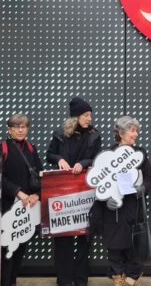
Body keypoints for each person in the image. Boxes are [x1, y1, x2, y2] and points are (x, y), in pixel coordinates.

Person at [46, 97, 102, 286]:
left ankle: (80, 280)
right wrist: (59, 159)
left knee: (84, 238)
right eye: (86, 115)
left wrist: (83, 163)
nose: (89, 118)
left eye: (90, 115)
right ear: (76, 116)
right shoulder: (61, 133)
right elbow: (49, 155)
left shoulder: (95, 135)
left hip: (85, 192)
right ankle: (64, 280)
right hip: (63, 192)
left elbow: (97, 159)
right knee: (63, 239)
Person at [93, 116, 151, 286]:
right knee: (115, 244)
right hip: (113, 209)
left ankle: (132, 278)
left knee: (135, 243)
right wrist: (105, 200)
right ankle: (117, 276)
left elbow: (149, 177)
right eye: (132, 130)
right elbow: (99, 183)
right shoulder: (107, 155)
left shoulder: (140, 154)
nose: (136, 134)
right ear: (121, 132)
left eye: (137, 131)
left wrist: (144, 188)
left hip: (134, 206)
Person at [1, 113, 43, 286]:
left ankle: (13, 282)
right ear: (9, 129)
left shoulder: (31, 148)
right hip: (8, 207)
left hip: (28, 209)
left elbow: (40, 175)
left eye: (23, 126)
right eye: (16, 127)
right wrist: (18, 192)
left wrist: (36, 195)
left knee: (20, 248)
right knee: (6, 251)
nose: (20, 130)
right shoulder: (3, 148)